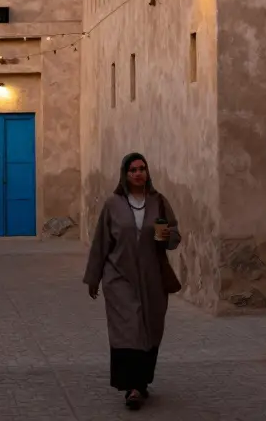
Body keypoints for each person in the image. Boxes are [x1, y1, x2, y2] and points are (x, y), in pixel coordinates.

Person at [83, 152, 182, 410]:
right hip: (119, 278)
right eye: (133, 170)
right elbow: (100, 243)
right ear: (125, 175)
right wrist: (93, 277)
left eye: (142, 169)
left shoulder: (158, 202)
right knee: (129, 328)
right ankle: (132, 387)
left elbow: (174, 236)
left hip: (152, 279)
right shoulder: (113, 205)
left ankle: (143, 381)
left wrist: (167, 235)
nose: (138, 173)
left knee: (150, 328)